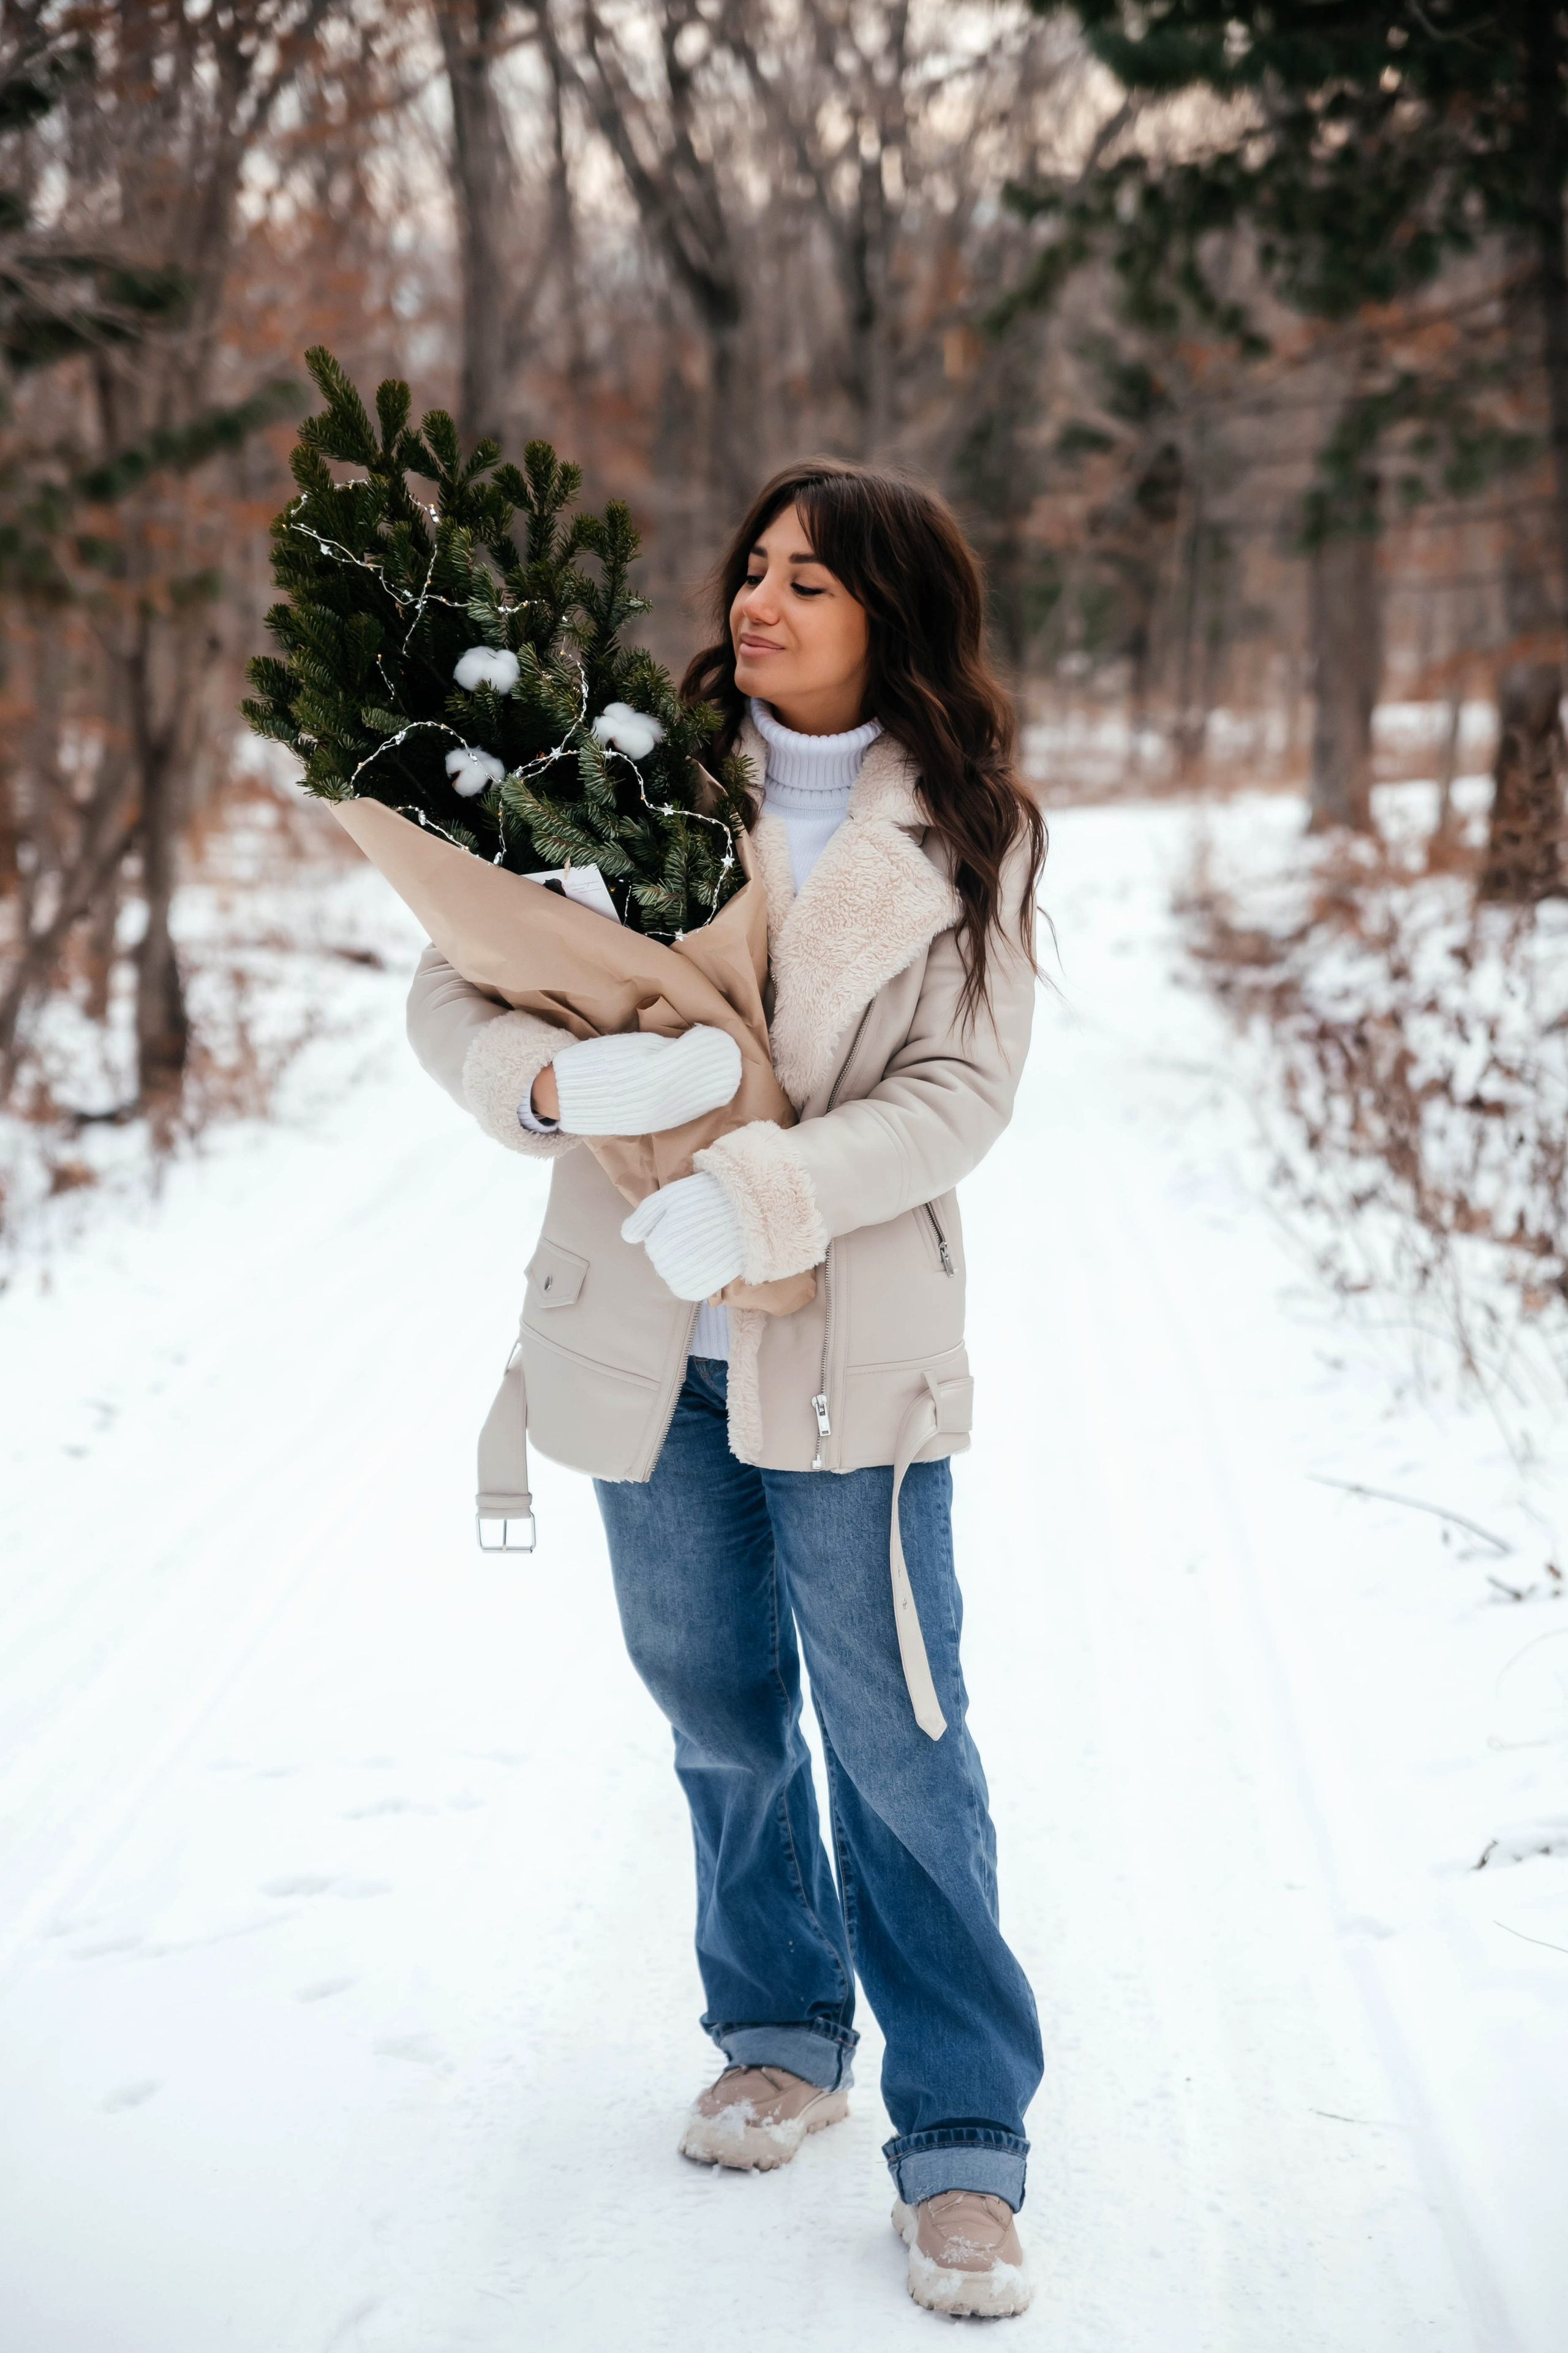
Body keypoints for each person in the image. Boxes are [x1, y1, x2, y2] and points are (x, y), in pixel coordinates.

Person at [407, 459, 1047, 2319]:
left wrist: (757, 1191)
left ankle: (965, 2145)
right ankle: (775, 2027)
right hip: (638, 1343)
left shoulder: (972, 830)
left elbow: (960, 1098)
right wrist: (548, 1088)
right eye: (754, 569)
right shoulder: (617, 776)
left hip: (844, 1351)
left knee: (900, 1740)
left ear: (895, 622)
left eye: (814, 583)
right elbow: (452, 982)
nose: (760, 603)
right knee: (715, 1712)